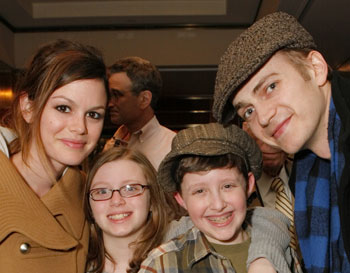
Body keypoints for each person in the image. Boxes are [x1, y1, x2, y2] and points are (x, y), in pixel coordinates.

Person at [212, 11, 350, 272]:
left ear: (316, 69)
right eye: (248, 111)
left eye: (270, 87)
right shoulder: (306, 168)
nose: (262, 118)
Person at [0, 39, 108, 273]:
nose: (80, 127)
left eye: (93, 114)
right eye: (63, 108)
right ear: (28, 107)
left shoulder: (91, 194)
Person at [139, 123, 297, 273]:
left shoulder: (281, 250)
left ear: (249, 185)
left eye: (227, 186)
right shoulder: (160, 264)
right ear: (181, 199)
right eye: (200, 191)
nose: (218, 204)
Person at [85, 147, 175, 273]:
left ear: (152, 199)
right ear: (89, 206)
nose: (116, 201)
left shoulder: (180, 249)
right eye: (102, 191)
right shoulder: (74, 263)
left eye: (130, 188)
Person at [103, 56, 176, 170]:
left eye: (117, 95)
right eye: (109, 96)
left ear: (144, 99)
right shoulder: (113, 143)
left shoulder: (172, 148)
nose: (110, 104)